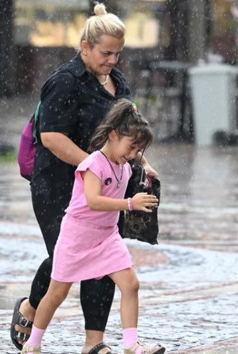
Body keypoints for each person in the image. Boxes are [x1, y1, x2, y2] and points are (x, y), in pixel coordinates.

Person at [11, 3, 159, 354]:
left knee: (105, 259)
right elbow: (51, 137)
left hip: (105, 188)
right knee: (64, 259)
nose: (112, 61)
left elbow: (126, 132)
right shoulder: (63, 83)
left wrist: (143, 163)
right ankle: (32, 307)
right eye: (106, 53)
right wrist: (95, 167)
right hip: (57, 187)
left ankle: (95, 344)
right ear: (85, 47)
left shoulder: (117, 82)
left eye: (118, 54)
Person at [20, 99, 164, 354]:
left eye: (137, 151)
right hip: (76, 237)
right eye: (130, 148)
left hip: (107, 237)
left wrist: (145, 177)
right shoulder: (93, 164)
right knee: (56, 294)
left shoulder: (126, 167)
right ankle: (32, 344)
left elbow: (124, 185)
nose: (131, 155)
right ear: (113, 134)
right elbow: (93, 201)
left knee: (131, 284)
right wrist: (130, 203)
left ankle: (131, 345)